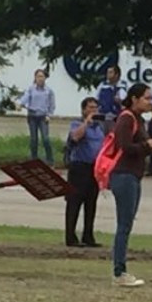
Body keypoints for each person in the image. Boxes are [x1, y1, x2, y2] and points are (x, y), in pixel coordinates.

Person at [110, 83, 152, 287]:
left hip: (134, 175)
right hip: (124, 175)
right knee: (123, 224)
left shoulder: (139, 119)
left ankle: (121, 270)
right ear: (134, 98)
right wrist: (146, 145)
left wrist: (149, 147)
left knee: (127, 224)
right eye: (147, 98)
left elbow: (143, 147)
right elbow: (125, 146)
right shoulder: (126, 118)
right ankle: (119, 272)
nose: (150, 102)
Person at [66, 97, 105, 247]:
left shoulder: (99, 127)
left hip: (94, 169)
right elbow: (75, 137)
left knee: (91, 203)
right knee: (74, 202)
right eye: (90, 108)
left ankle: (88, 236)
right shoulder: (77, 123)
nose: (94, 111)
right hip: (79, 167)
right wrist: (86, 122)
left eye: (96, 108)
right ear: (84, 110)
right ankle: (70, 236)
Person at [19, 69, 56, 164]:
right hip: (32, 116)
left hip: (43, 117)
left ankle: (50, 160)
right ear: (35, 78)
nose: (40, 79)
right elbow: (25, 98)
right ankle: (34, 160)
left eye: (42, 76)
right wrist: (20, 104)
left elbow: (52, 105)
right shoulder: (31, 89)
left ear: (45, 78)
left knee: (45, 139)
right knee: (33, 139)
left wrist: (49, 115)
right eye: (38, 76)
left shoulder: (49, 91)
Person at [96, 65, 127, 129]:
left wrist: (120, 101)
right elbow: (97, 98)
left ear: (116, 74)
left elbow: (126, 101)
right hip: (103, 116)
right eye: (107, 72)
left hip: (117, 117)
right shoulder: (102, 85)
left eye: (110, 72)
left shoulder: (123, 85)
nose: (108, 74)